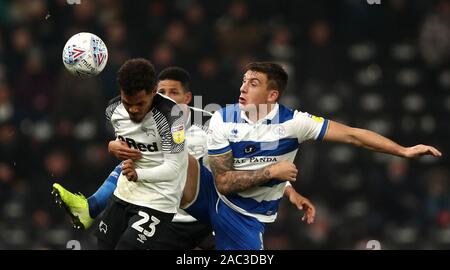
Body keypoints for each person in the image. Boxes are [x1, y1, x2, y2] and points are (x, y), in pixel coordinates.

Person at [181, 61, 442, 250]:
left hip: (245, 216)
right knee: (176, 159)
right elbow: (223, 183)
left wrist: (403, 151)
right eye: (244, 81)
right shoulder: (223, 118)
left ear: (272, 95)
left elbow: (353, 135)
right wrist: (274, 174)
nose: (243, 87)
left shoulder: (295, 123)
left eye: (253, 83)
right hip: (212, 192)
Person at [52, 65, 316, 249]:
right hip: (169, 219)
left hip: (206, 220)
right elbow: (132, 164)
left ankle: (91, 207)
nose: (165, 98)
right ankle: (91, 207)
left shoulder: (212, 122)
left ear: (188, 98)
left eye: (173, 93)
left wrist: (289, 191)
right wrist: (113, 145)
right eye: (161, 92)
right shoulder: (148, 121)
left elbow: (247, 163)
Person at [94, 58, 188, 249]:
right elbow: (121, 140)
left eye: (140, 103)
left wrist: (139, 174)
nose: (133, 109)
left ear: (154, 91)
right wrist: (112, 145)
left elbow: (175, 168)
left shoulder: (173, 116)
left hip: (158, 200)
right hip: (123, 193)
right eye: (128, 103)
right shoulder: (113, 110)